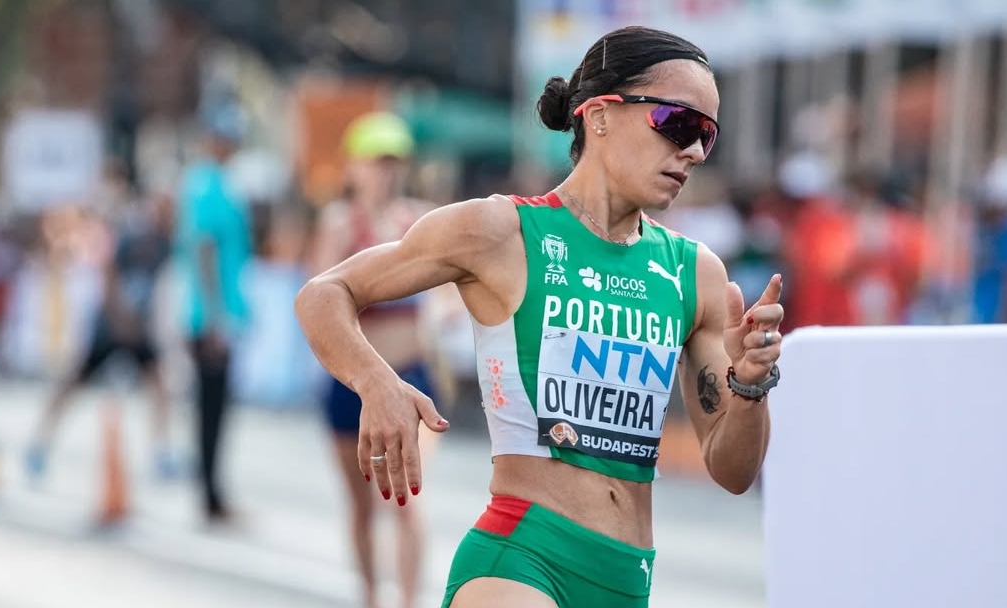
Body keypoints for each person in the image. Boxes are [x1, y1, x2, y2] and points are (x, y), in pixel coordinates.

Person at [295, 26, 784, 608]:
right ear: (599, 115)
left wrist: (750, 386)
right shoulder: (500, 231)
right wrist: (378, 384)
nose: (696, 152)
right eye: (680, 124)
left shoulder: (694, 272)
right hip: (521, 559)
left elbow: (731, 471)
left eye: (709, 135)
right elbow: (324, 293)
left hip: (627, 580)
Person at [308, 111, 443, 608]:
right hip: (353, 386)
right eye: (376, 161)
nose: (386, 172)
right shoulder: (339, 223)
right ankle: (369, 597)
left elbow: (448, 293)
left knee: (407, 499)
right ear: (354, 166)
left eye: (393, 161)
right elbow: (318, 298)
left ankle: (408, 601)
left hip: (411, 379)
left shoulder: (422, 222)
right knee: (362, 505)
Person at [26, 187, 176, 481]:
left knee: (158, 385)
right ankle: (39, 444)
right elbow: (109, 274)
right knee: (73, 383)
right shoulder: (135, 236)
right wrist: (119, 319)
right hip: (110, 326)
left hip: (137, 327)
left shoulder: (166, 243)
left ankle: (161, 452)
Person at [174, 102, 252, 523]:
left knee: (217, 407)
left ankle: (212, 490)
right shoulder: (207, 184)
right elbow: (203, 248)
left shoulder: (219, 182)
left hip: (219, 312)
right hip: (210, 317)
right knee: (210, 407)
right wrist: (217, 316)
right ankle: (209, 495)